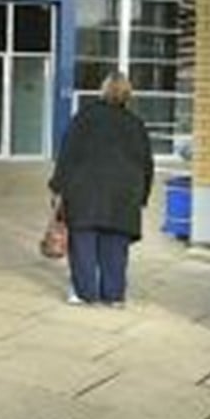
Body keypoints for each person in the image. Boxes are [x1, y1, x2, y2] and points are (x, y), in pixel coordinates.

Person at [49, 72, 153, 307]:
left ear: (103, 90)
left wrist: (57, 186)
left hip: (84, 191)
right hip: (124, 196)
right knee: (116, 245)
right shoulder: (136, 124)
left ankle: (84, 293)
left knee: (83, 242)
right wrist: (143, 195)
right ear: (128, 94)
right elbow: (146, 163)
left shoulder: (84, 118)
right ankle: (114, 295)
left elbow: (68, 155)